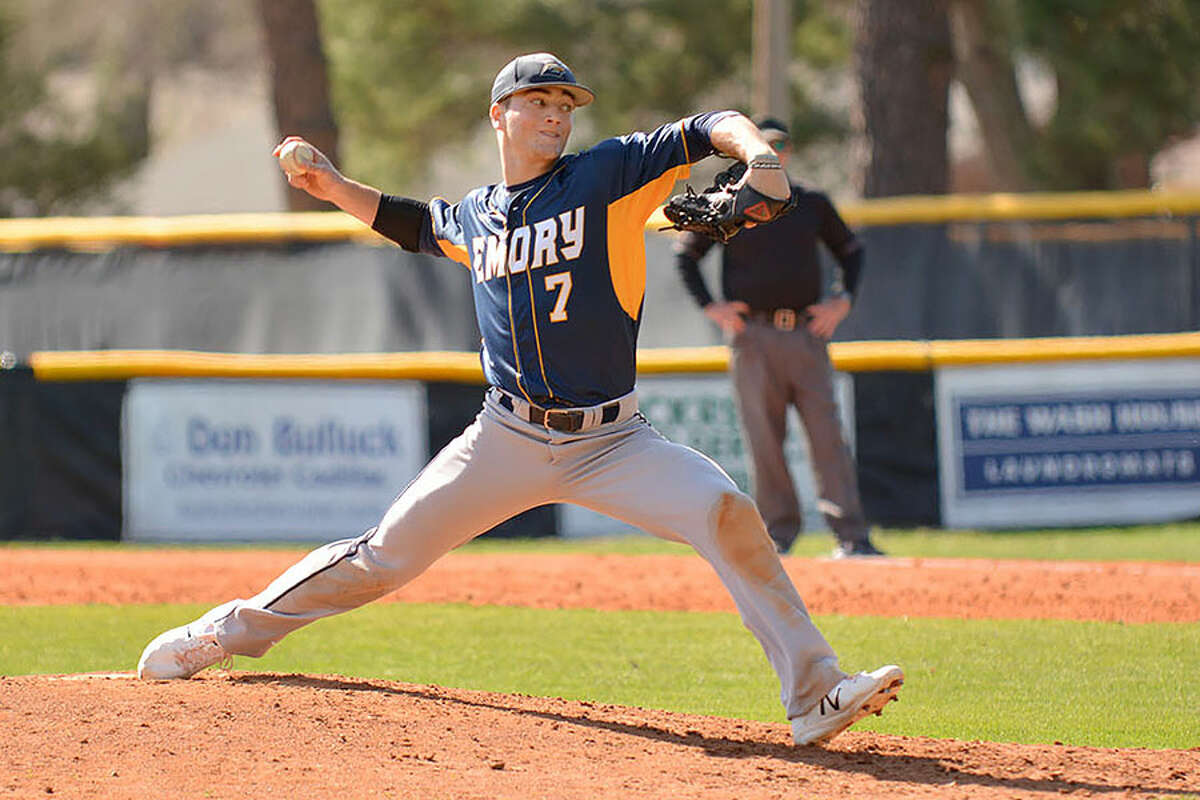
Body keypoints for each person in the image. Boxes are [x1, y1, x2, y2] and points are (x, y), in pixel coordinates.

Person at [136, 53, 901, 746]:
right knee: (379, 561)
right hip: (504, 438)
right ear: (498, 113)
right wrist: (330, 185)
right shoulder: (478, 214)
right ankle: (223, 632)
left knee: (727, 513)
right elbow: (413, 223)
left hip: (615, 441)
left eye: (566, 105)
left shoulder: (607, 175)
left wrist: (759, 154)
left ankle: (814, 694)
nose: (558, 115)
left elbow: (708, 128)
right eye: (540, 102)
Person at [673, 117, 885, 559]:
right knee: (764, 441)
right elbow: (687, 256)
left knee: (827, 435)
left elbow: (852, 250)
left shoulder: (809, 203)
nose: (774, 153)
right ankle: (778, 537)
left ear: (787, 153)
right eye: (765, 146)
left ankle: (851, 536)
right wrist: (712, 307)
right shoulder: (731, 204)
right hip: (753, 337)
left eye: (780, 146)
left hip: (805, 333)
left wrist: (841, 301)